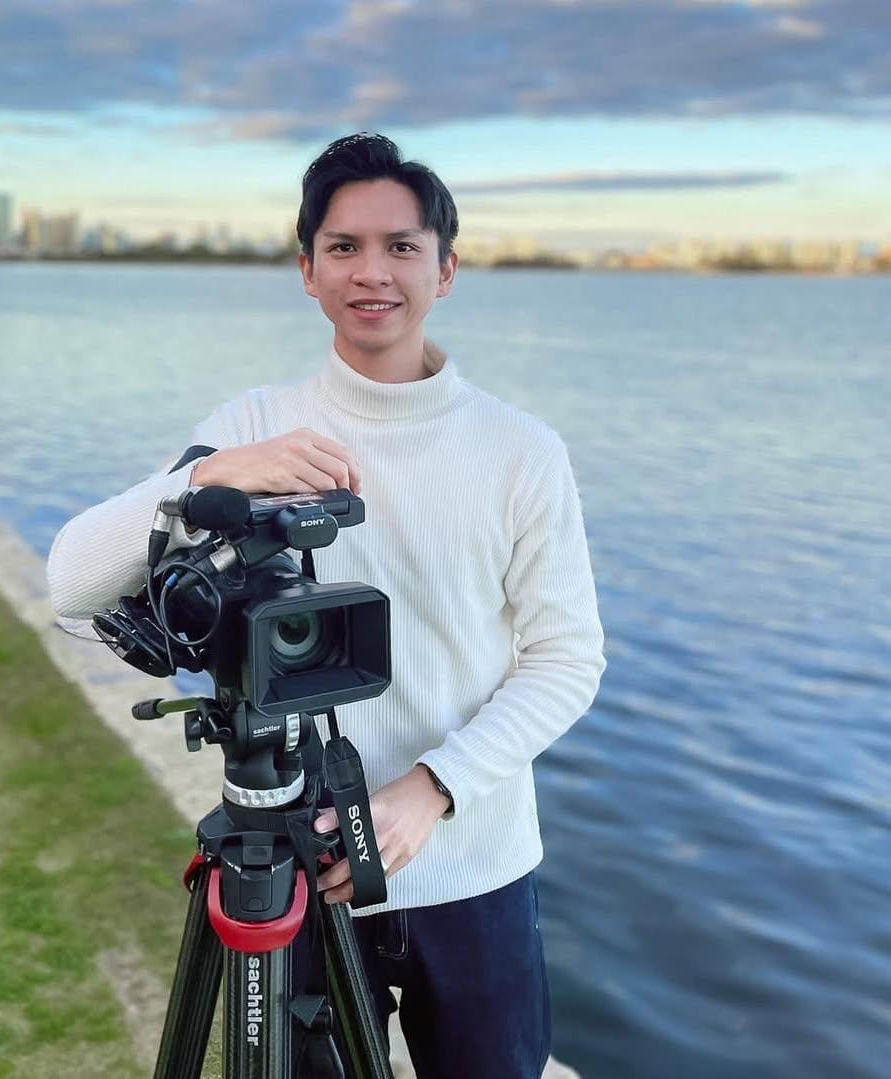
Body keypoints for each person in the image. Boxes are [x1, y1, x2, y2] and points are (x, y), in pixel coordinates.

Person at [47, 132, 606, 1078]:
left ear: (445, 269)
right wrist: (208, 477)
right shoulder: (253, 427)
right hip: (300, 860)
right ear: (307, 271)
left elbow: (567, 659)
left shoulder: (520, 450)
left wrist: (431, 788)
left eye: (401, 246)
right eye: (342, 247)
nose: (371, 272)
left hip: (472, 863)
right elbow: (70, 582)